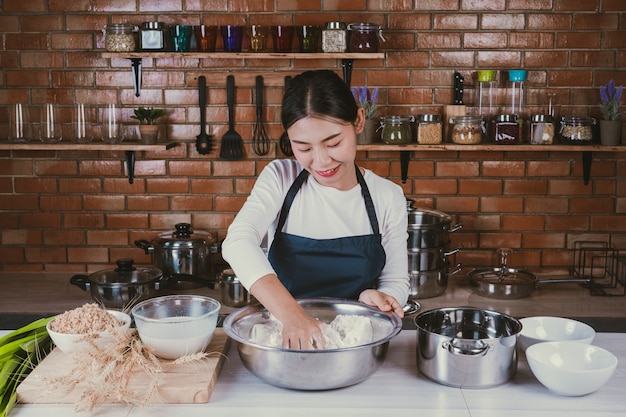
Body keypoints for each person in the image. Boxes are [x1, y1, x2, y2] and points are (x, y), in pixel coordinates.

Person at [222, 69, 409, 350]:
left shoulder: (387, 196)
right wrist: (292, 315)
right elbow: (237, 242)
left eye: (333, 143)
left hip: (356, 345)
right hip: (285, 339)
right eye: (303, 147)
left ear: (358, 121)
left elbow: (395, 281)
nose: (321, 162)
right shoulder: (281, 178)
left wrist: (381, 296)